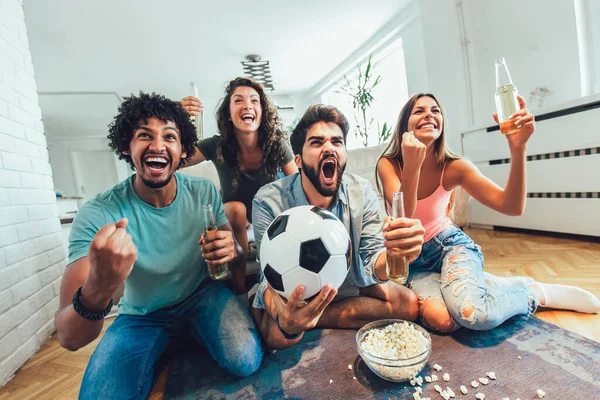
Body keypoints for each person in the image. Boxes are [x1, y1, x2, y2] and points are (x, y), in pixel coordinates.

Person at [55, 92, 263, 399]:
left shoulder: (204, 191)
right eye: (144, 136)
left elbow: (237, 255)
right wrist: (97, 290)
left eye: (170, 136)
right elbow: (68, 337)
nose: (157, 146)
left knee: (245, 359)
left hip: (202, 296)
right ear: (127, 146)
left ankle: (179, 344)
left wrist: (234, 250)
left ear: (182, 150)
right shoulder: (99, 213)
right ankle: (172, 346)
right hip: (140, 316)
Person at [376, 93, 600, 333]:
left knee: (474, 316)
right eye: (419, 111)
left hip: (449, 246)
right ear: (404, 126)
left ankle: (535, 293)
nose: (429, 114)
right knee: (441, 320)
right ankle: (481, 286)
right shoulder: (388, 164)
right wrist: (412, 165)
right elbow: (405, 217)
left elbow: (512, 206)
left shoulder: (454, 167)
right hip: (413, 262)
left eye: (436, 110)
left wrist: (518, 148)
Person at [250, 104, 425, 350]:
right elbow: (268, 278)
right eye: (317, 142)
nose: (329, 147)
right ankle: (301, 319)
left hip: (349, 284)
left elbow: (372, 262)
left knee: (407, 304)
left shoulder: (361, 191)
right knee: (280, 337)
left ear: (344, 154)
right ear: (298, 160)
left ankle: (317, 318)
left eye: (337, 141)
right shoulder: (268, 200)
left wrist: (395, 254)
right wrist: (283, 316)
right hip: (294, 294)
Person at [181, 77, 298, 298]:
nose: (247, 105)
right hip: (234, 223)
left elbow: (300, 185)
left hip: (269, 220)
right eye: (238, 100)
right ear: (228, 113)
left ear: (262, 111)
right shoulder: (216, 146)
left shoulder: (276, 145)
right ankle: (240, 291)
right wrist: (177, 117)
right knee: (236, 208)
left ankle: (277, 286)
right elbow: (176, 159)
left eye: (255, 100)